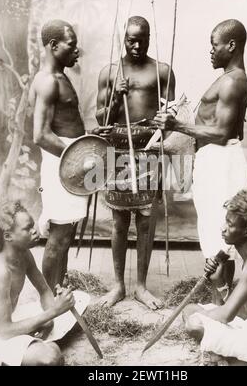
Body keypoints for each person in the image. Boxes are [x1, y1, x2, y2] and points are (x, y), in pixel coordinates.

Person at [155, 19, 247, 296]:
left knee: (218, 237)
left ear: (231, 45)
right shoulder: (229, 78)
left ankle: (220, 311)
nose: (210, 51)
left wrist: (176, 126)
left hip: (221, 162)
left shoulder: (233, 82)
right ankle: (223, 301)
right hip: (215, 160)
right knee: (220, 236)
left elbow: (220, 132)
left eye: (214, 45)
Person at [96, 16, 175, 309]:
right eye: (131, 39)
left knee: (145, 221)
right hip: (117, 150)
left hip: (149, 150)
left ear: (150, 38)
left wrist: (162, 125)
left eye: (142, 39)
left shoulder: (162, 71)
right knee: (119, 221)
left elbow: (171, 115)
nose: (137, 45)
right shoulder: (109, 72)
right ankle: (118, 285)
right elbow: (99, 118)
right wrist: (117, 97)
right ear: (123, 39)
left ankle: (141, 286)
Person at [182, 190, 247, 366]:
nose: (223, 227)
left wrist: (205, 318)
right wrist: (219, 282)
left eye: (230, 224)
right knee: (190, 310)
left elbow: (225, 315)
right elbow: (240, 311)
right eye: (226, 221)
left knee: (194, 323)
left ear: (246, 231)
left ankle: (229, 360)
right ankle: (225, 359)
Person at [29, 19, 87, 292]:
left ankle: (59, 291)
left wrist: (88, 142)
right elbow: (40, 134)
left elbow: (65, 125)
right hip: (61, 165)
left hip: (72, 163)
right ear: (53, 46)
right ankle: (48, 301)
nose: (77, 51)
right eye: (71, 45)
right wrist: (78, 155)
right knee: (59, 236)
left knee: (67, 233)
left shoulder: (61, 77)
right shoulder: (47, 82)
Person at [0, 201, 79, 366]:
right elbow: (5, 330)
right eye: (27, 228)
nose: (35, 230)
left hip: (10, 317)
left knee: (78, 299)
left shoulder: (23, 253)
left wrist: (53, 312)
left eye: (33, 225)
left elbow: (44, 291)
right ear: (8, 236)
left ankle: (25, 348)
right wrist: (53, 312)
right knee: (51, 357)